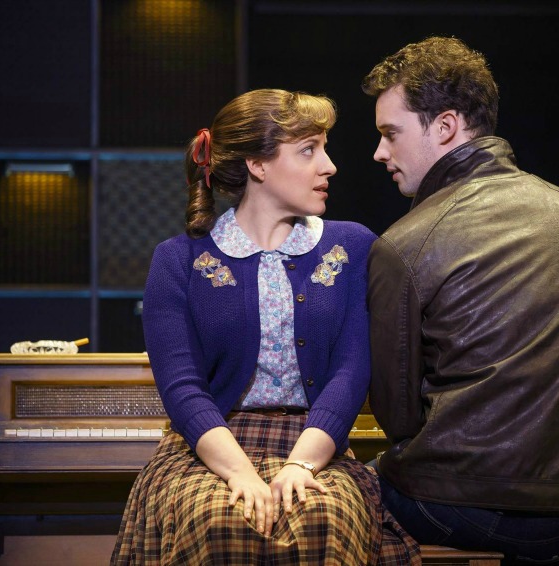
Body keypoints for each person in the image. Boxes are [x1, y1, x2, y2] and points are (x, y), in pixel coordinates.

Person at [112, 89, 419, 565]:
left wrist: (301, 462)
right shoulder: (179, 260)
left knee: (322, 516)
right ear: (258, 165)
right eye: (308, 150)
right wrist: (239, 473)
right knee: (217, 518)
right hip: (213, 447)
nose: (329, 165)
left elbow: (351, 369)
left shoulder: (352, 247)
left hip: (313, 442)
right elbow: (183, 387)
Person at [363, 37, 559, 565]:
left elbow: (397, 420)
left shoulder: (407, 241)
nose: (379, 153)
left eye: (389, 134)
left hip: (456, 503)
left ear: (444, 127)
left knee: (329, 503)